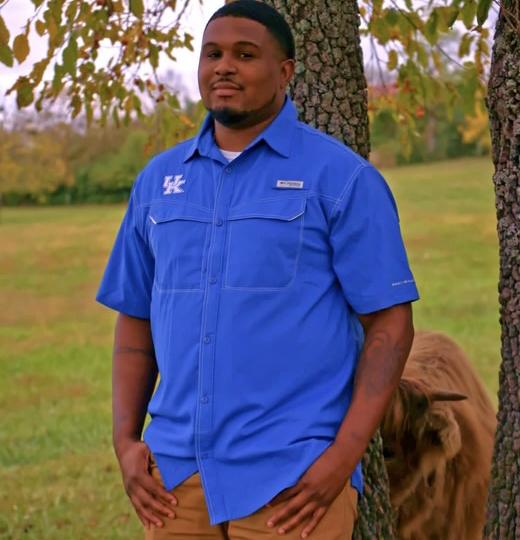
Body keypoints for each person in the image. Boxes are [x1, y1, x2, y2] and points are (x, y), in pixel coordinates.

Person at [96, 1, 419, 538]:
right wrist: (125, 441)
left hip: (292, 479)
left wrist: (343, 458)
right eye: (213, 54)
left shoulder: (341, 179)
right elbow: (135, 319)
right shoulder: (158, 182)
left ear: (285, 71)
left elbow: (390, 324)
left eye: (245, 55)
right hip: (175, 478)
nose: (224, 67)